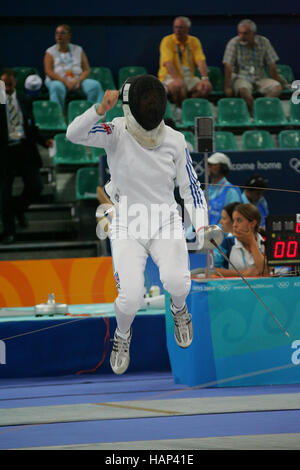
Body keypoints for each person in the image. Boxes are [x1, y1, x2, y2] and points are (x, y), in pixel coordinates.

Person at [66, 74, 218, 375]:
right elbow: (73, 134)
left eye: (154, 100)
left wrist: (202, 226)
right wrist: (99, 110)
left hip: (165, 224)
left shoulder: (175, 140)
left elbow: (191, 188)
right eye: (145, 99)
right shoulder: (114, 131)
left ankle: (179, 309)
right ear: (130, 105)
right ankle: (122, 336)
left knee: (177, 282)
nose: (150, 104)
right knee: (131, 297)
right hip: (126, 225)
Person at [0, 68, 54, 244]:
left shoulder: (23, 98)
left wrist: (43, 140)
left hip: (24, 150)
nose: (7, 88)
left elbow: (30, 124)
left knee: (36, 187)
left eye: (9, 84)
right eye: (4, 84)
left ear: (15, 82)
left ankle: (17, 209)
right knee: (4, 195)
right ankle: (9, 231)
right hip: (5, 153)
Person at [223, 19, 282, 114]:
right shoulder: (233, 43)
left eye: (245, 33)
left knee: (277, 88)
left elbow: (272, 64)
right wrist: (227, 87)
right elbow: (228, 66)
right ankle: (255, 113)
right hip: (241, 77)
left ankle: (261, 109)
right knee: (243, 90)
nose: (241, 37)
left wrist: (276, 80)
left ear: (253, 34)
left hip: (260, 76)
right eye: (240, 33)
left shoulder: (264, 42)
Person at [44, 24, 104, 111]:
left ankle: (93, 114)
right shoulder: (50, 51)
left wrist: (78, 80)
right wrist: (65, 82)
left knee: (95, 86)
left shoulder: (78, 49)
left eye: (62, 33)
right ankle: (58, 116)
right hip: (58, 80)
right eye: (57, 33)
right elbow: (48, 71)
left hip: (77, 80)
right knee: (56, 87)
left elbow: (86, 70)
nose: (59, 36)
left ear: (69, 35)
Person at [158, 16, 213, 110]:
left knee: (205, 88)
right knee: (178, 87)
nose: (177, 30)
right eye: (175, 27)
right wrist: (177, 79)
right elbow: (167, 63)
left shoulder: (194, 41)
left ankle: (191, 109)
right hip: (170, 76)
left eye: (181, 27)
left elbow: (200, 60)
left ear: (188, 29)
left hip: (188, 77)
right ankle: (180, 110)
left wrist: (205, 78)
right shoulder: (167, 40)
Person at [214, 203, 268, 277]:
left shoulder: (265, 242)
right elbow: (210, 269)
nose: (234, 225)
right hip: (234, 287)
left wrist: (252, 242)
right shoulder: (227, 243)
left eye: (239, 220)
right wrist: (242, 273)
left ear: (252, 223)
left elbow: (264, 270)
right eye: (234, 220)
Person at [207, 152, 242, 225]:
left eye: (213, 164)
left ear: (223, 168)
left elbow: (233, 220)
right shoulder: (205, 191)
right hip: (204, 234)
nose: (209, 167)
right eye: (208, 164)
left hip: (222, 235)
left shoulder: (231, 192)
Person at [214, 202, 239, 269]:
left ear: (234, 220)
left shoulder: (228, 242)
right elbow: (212, 263)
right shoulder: (226, 241)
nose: (220, 222)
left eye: (224, 218)